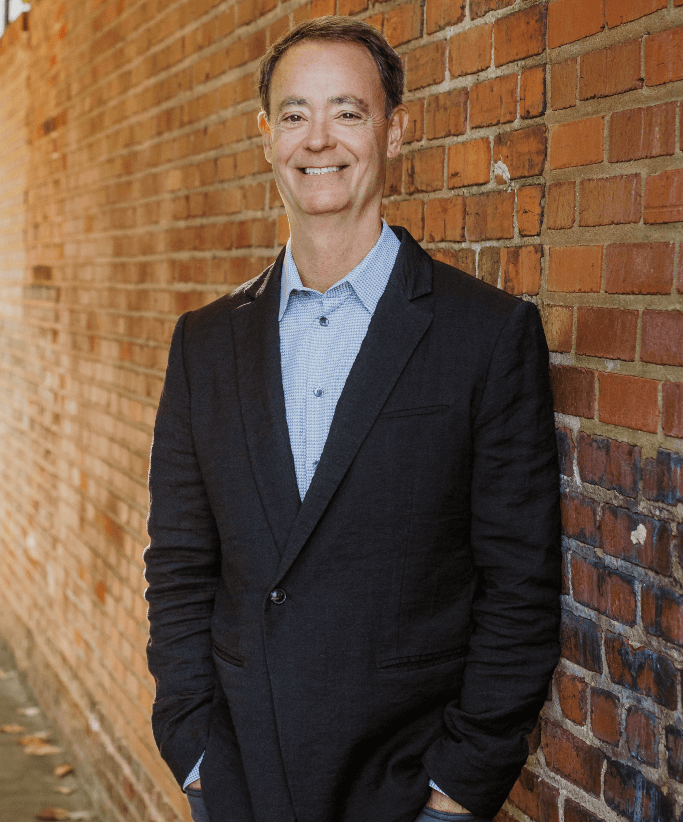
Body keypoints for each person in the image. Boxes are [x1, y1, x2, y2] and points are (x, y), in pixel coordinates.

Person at [144, 15, 562, 822]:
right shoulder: (205, 344)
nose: (319, 139)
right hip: (239, 781)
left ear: (395, 130)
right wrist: (195, 751)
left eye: (349, 111)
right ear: (266, 137)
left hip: (407, 789)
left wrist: (457, 790)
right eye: (295, 114)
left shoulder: (485, 334)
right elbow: (181, 565)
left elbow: (519, 584)